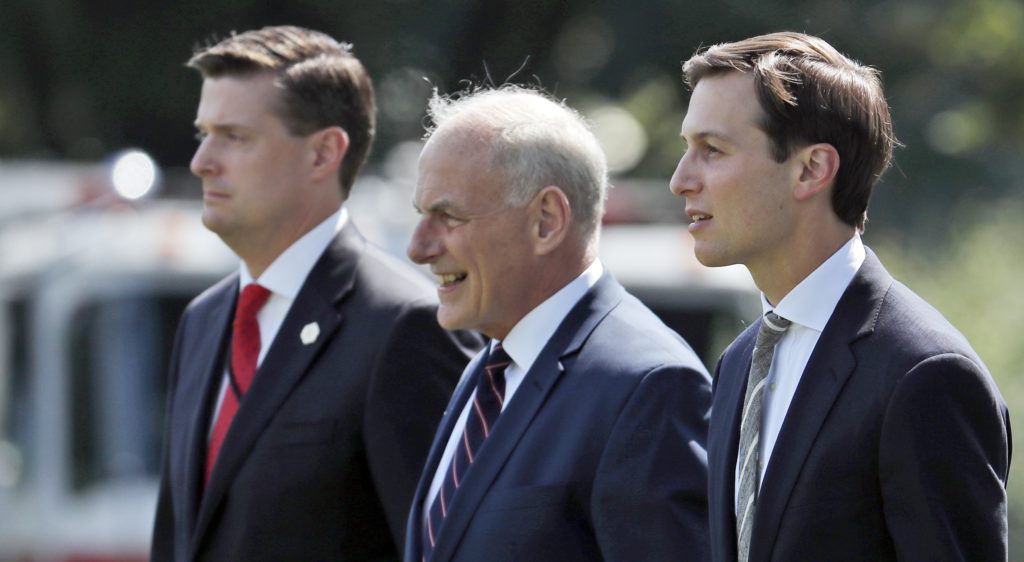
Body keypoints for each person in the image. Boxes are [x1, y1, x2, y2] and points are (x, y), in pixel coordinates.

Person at [670, 31, 1011, 561]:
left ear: (811, 169)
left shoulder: (925, 374)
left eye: (712, 150)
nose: (680, 180)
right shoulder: (739, 363)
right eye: (686, 149)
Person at [151, 26, 481, 561]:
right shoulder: (205, 319)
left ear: (324, 153)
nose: (202, 161)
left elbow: (441, 549)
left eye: (235, 136)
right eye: (202, 133)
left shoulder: (406, 325)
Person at [401, 84, 712, 562]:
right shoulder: (492, 366)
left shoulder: (648, 388)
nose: (418, 248)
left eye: (448, 216)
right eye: (422, 214)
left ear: (546, 220)